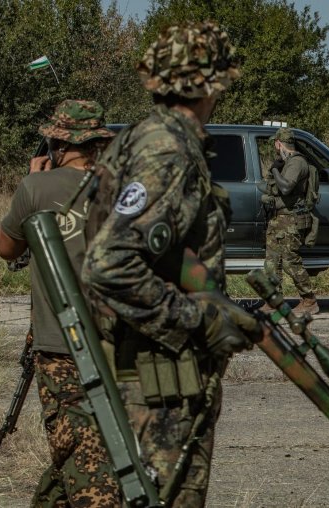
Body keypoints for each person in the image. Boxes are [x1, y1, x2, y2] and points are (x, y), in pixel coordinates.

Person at [80, 22, 259, 506]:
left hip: (144, 373)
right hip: (155, 387)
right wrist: (197, 319)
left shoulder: (145, 136)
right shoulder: (168, 151)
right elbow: (108, 262)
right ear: (213, 82)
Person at [0, 100, 120, 507]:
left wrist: (31, 183)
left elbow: (6, 248)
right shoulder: (122, 186)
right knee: (89, 447)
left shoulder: (37, 187)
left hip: (60, 345)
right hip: (119, 342)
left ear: (58, 142)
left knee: (81, 452)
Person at [259, 127, 319, 315]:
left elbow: (285, 188)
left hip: (291, 220)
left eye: (276, 145)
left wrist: (276, 171)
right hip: (278, 219)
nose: (276, 149)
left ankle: (309, 300)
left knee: (290, 261)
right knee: (271, 262)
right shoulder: (287, 162)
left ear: (279, 143)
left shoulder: (297, 162)